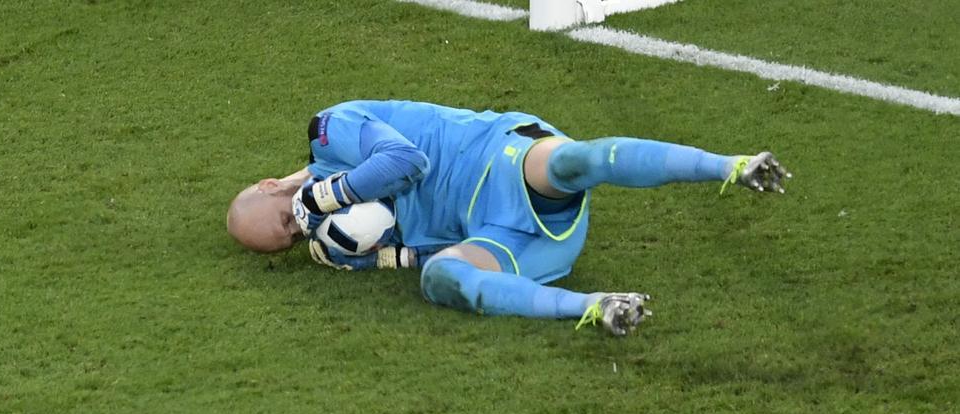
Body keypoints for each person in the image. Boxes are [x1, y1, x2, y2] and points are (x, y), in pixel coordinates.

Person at [226, 100, 790, 336]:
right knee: (440, 279)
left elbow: (407, 161)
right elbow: (427, 245)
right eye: (290, 240)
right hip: (511, 243)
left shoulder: (329, 130)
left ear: (271, 186)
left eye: (285, 219)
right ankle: (595, 306)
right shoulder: (339, 235)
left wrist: (323, 196)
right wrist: (386, 257)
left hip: (498, 161)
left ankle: (731, 166)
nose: (299, 228)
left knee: (576, 161)